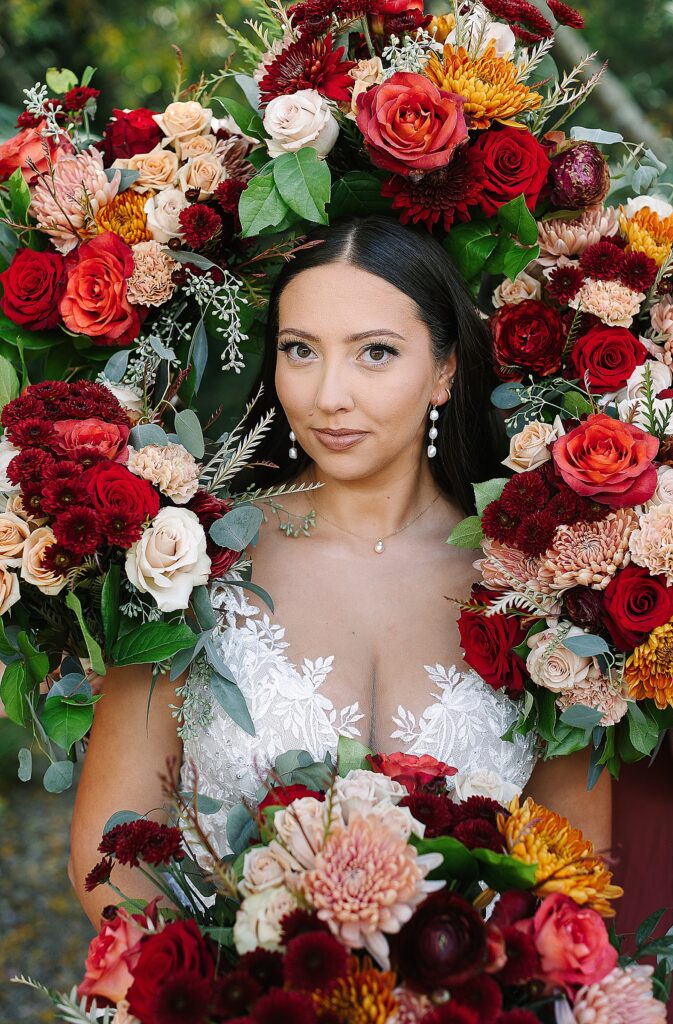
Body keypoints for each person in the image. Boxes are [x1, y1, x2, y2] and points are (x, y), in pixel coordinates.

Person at [69, 216, 611, 926]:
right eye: (300, 350)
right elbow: (109, 855)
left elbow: (574, 874)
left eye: (375, 353)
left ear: (444, 369)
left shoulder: (539, 591)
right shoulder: (190, 560)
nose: (327, 395)